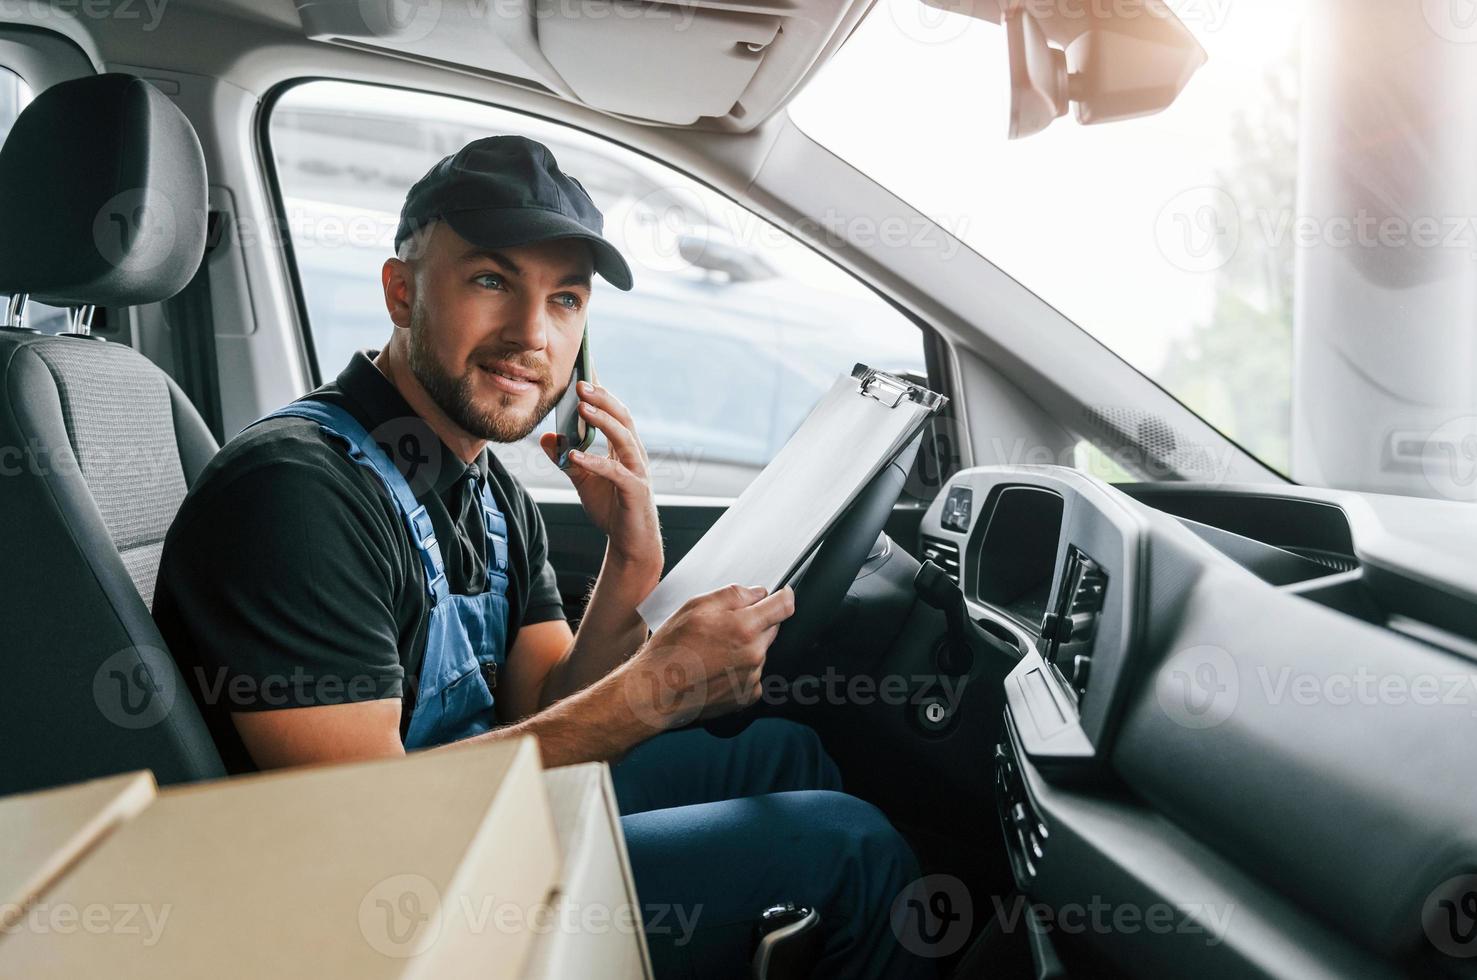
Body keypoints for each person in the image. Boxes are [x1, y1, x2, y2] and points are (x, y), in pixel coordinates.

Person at [154, 135, 931, 978]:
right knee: (846, 852)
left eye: (564, 300)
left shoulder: (487, 490)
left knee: (783, 754)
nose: (531, 333)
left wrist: (632, 556)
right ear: (401, 291)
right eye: (492, 281)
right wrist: (651, 692)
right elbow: (361, 822)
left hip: (455, 834)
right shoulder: (295, 493)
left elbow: (548, 707)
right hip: (361, 908)